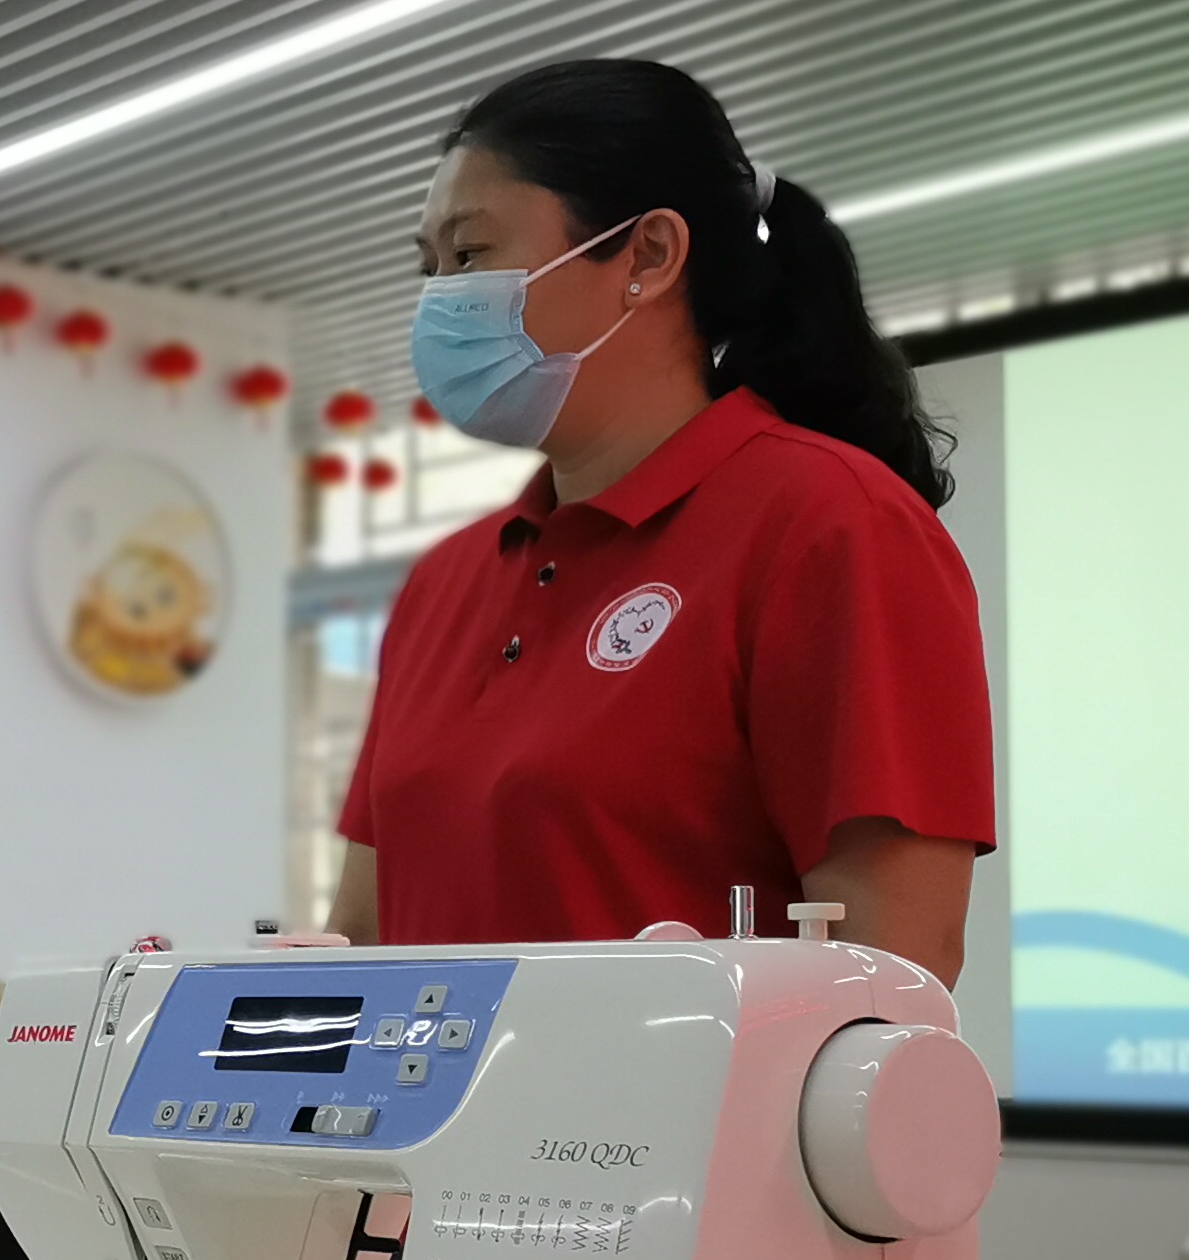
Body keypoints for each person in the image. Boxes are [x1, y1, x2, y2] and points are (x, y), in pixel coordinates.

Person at [326, 58, 992, 977]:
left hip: (709, 1081)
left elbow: (892, 964)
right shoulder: (445, 582)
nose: (440, 295)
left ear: (648, 256)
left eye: (470, 256)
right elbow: (360, 940)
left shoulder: (831, 525)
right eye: (429, 266)